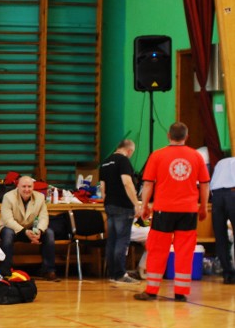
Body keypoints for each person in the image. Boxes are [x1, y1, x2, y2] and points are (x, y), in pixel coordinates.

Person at [136, 122, 210, 301]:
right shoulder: (196, 156)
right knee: (185, 251)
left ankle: (152, 291)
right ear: (187, 136)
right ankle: (181, 293)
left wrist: (144, 206)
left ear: (169, 135)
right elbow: (205, 184)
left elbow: (148, 184)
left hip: (164, 210)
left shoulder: (157, 155)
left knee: (157, 249)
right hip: (188, 211)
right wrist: (203, 207)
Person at [0, 175, 58, 281]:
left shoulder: (40, 197)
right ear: (18, 187)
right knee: (7, 233)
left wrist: (39, 231)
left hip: (31, 230)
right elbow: (8, 220)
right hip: (12, 229)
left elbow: (44, 217)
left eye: (29, 187)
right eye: (24, 186)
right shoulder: (8, 197)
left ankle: (48, 270)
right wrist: (24, 232)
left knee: (49, 233)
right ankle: (5, 271)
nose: (27, 189)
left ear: (33, 187)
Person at [99, 139, 142, 284]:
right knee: (122, 241)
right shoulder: (123, 161)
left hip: (109, 205)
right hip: (123, 206)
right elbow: (127, 183)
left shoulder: (105, 162)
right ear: (129, 151)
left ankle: (112, 273)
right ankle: (120, 274)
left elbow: (102, 188)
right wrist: (136, 203)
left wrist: (107, 202)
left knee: (112, 240)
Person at [210, 156, 235, 285]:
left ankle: (227, 274)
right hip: (233, 192)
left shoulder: (221, 161)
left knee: (220, 236)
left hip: (217, 195)